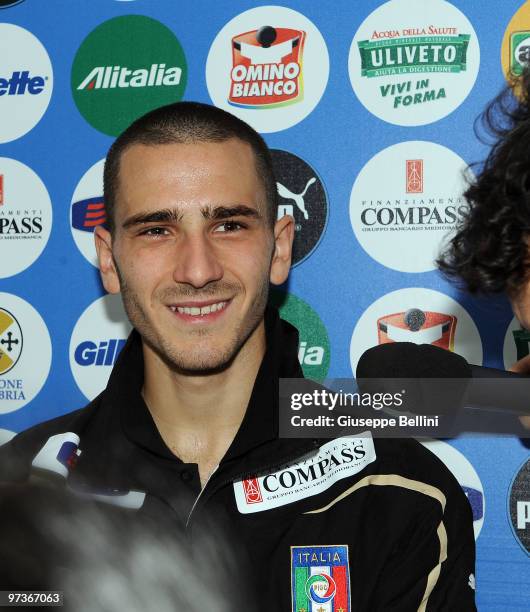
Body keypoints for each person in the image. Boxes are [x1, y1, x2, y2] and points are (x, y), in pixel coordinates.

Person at [0, 102, 476, 610]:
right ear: (109, 260)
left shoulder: (396, 489)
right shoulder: (24, 487)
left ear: (279, 249)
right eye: (156, 230)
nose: (198, 270)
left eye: (228, 225)